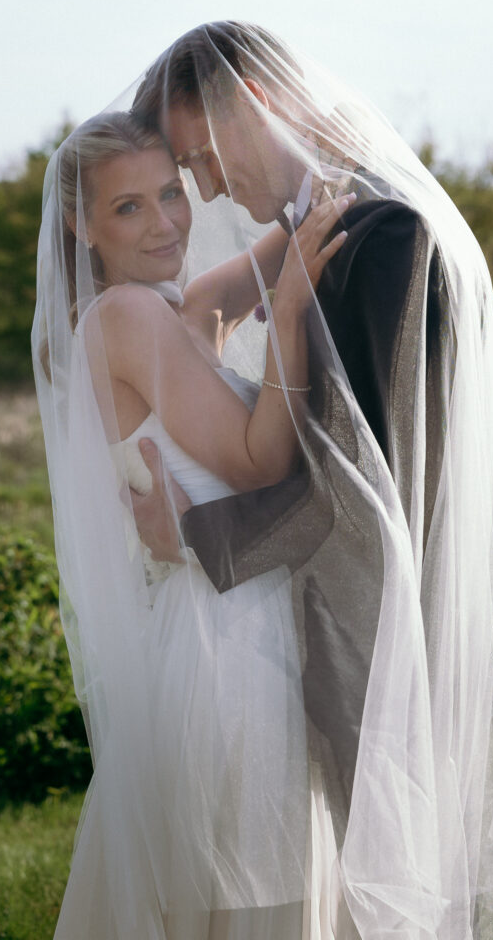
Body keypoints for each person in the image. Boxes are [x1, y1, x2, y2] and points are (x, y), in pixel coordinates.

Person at [123, 22, 493, 939]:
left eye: (202, 159)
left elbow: (361, 493)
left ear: (255, 105)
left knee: (387, 906)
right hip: (384, 632)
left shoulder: (381, 239)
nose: (206, 188)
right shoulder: (340, 223)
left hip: (385, 641)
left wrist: (189, 533)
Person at [33, 109, 441, 939]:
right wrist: (287, 316)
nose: (167, 222)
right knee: (260, 901)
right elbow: (257, 462)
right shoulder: (128, 319)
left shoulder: (162, 307)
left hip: (222, 623)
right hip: (230, 653)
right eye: (129, 208)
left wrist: (314, 166)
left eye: (172, 192)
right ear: (81, 224)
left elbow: (290, 235)